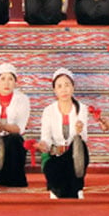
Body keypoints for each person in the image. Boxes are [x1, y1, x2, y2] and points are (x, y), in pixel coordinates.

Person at [38, 68, 90, 199]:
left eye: (67, 85)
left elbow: (83, 137)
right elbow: (46, 137)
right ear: (54, 90)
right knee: (53, 171)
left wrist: (79, 130)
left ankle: (76, 187)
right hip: (56, 155)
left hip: (73, 156)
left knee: (80, 146)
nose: (64, 89)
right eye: (59, 86)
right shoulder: (48, 111)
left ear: (73, 87)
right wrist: (43, 144)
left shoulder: (81, 108)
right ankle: (62, 189)